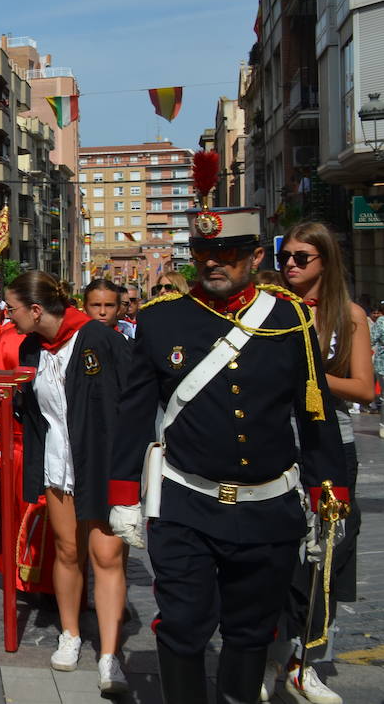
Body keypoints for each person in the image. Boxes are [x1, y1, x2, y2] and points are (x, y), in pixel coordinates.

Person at [107, 162, 351, 704]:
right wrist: (123, 494)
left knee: (249, 629)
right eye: (203, 255)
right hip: (185, 504)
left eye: (229, 255)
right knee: (184, 622)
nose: (214, 264)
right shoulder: (161, 319)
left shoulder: (289, 320)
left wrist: (327, 491)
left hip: (268, 507)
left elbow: (315, 414)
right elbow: (132, 414)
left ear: (257, 258)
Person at [3, 272, 131, 694]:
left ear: (36, 310)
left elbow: (132, 402)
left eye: (13, 308)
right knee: (67, 549)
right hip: (59, 462)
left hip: (103, 462)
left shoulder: (98, 338)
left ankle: (111, 655)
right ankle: (71, 634)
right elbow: (32, 407)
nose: (9, 315)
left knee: (107, 555)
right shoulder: (30, 348)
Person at [266, 221, 373, 702]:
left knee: (328, 555)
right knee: (272, 555)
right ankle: (266, 659)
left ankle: (307, 661)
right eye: (285, 256)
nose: (290, 264)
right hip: (274, 444)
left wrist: (308, 375)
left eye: (301, 257)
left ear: (325, 262)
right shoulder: (268, 311)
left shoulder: (348, 316)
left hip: (332, 443)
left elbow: (365, 388)